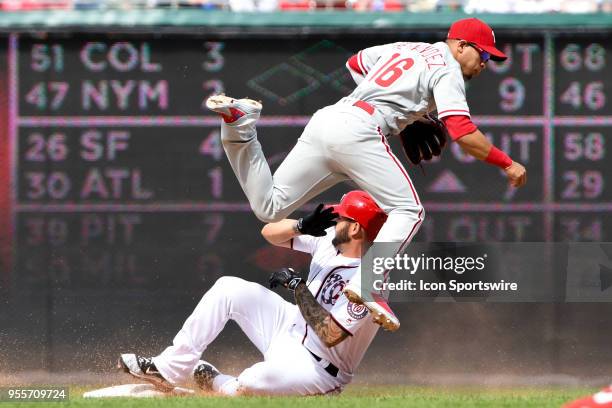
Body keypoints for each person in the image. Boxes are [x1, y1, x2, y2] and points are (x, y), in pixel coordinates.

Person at [205, 17, 527, 331]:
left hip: (329, 118)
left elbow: (356, 64)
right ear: (460, 45)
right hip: (359, 131)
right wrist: (507, 163)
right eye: (483, 54)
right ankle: (369, 283)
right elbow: (462, 132)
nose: (485, 62)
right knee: (408, 210)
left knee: (269, 208)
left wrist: (408, 116)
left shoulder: (409, 48)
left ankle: (240, 127)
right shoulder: (448, 70)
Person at [118, 190, 388, 396]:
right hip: (290, 325)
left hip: (318, 367)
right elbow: (269, 233)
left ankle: (217, 382)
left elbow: (331, 335)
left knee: (251, 382)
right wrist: (302, 226)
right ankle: (169, 370)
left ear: (355, 228)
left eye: (341, 216)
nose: (335, 218)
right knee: (228, 288)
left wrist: (298, 287)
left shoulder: (371, 279)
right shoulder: (329, 238)